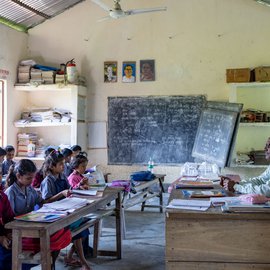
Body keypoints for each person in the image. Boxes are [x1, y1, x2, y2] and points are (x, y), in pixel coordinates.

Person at [4, 159, 72, 269]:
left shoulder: (30, 189)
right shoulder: (11, 193)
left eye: (33, 178)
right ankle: (48, 264)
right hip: (17, 231)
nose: (31, 181)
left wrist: (59, 201)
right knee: (50, 239)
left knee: (61, 231)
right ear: (18, 176)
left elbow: (42, 202)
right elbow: (9, 219)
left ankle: (51, 264)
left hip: (31, 226)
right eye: (28, 178)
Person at [40, 151, 91, 270]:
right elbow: (46, 201)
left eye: (63, 163)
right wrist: (61, 194)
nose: (64, 166)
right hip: (53, 215)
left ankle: (80, 260)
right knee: (64, 231)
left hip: (66, 210)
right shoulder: (48, 181)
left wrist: (78, 187)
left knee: (82, 225)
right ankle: (52, 264)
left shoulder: (62, 176)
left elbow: (69, 190)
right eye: (60, 164)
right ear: (52, 166)